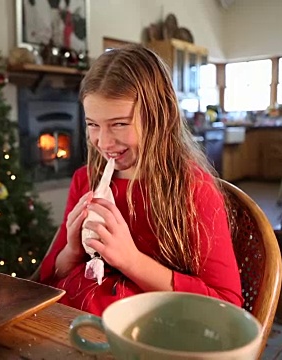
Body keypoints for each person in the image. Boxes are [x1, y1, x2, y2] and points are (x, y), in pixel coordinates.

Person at [38, 44, 243, 316]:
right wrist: (72, 251)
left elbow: (227, 305)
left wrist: (131, 261)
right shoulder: (84, 180)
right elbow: (46, 279)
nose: (104, 142)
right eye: (92, 124)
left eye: (119, 124)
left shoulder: (194, 190)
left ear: (159, 118)